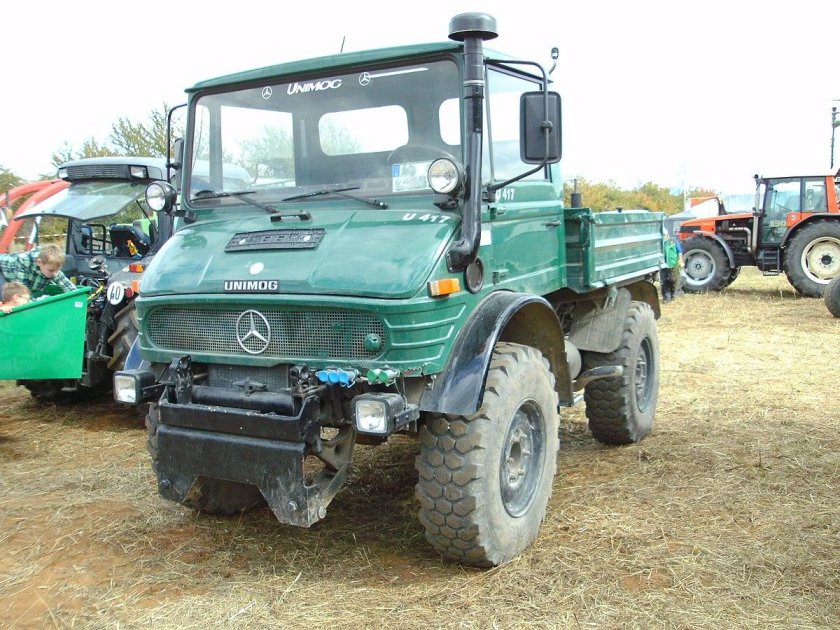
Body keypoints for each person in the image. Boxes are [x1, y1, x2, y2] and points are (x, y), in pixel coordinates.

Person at [0, 244, 76, 296]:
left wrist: (80, 296)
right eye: (51, 271)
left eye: (57, 270)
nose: (55, 274)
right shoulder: (23, 262)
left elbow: (67, 285)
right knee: (6, 296)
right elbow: (22, 292)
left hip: (14, 274)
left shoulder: (51, 265)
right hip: (2, 270)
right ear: (39, 262)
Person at [660, 228, 681, 302]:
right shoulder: (660, 243)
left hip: (673, 265)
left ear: (667, 234)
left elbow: (679, 251)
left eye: (664, 235)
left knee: (672, 281)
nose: (663, 237)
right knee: (664, 281)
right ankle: (666, 297)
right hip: (663, 265)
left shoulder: (673, 241)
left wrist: (680, 261)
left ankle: (673, 295)